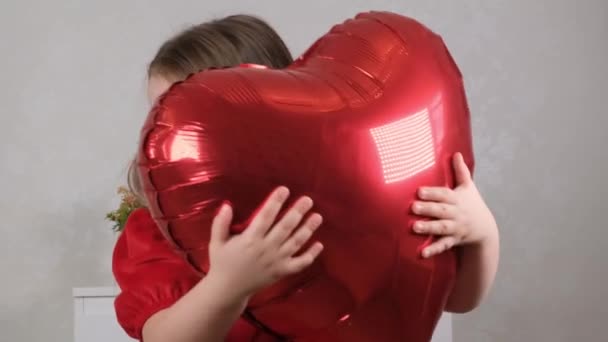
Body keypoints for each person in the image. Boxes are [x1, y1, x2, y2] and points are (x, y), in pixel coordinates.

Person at [113, 14, 500, 342]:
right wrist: (229, 286)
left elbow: (458, 299)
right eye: (156, 119)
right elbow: (163, 336)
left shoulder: (346, 209)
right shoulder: (154, 234)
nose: (159, 142)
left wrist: (483, 234)